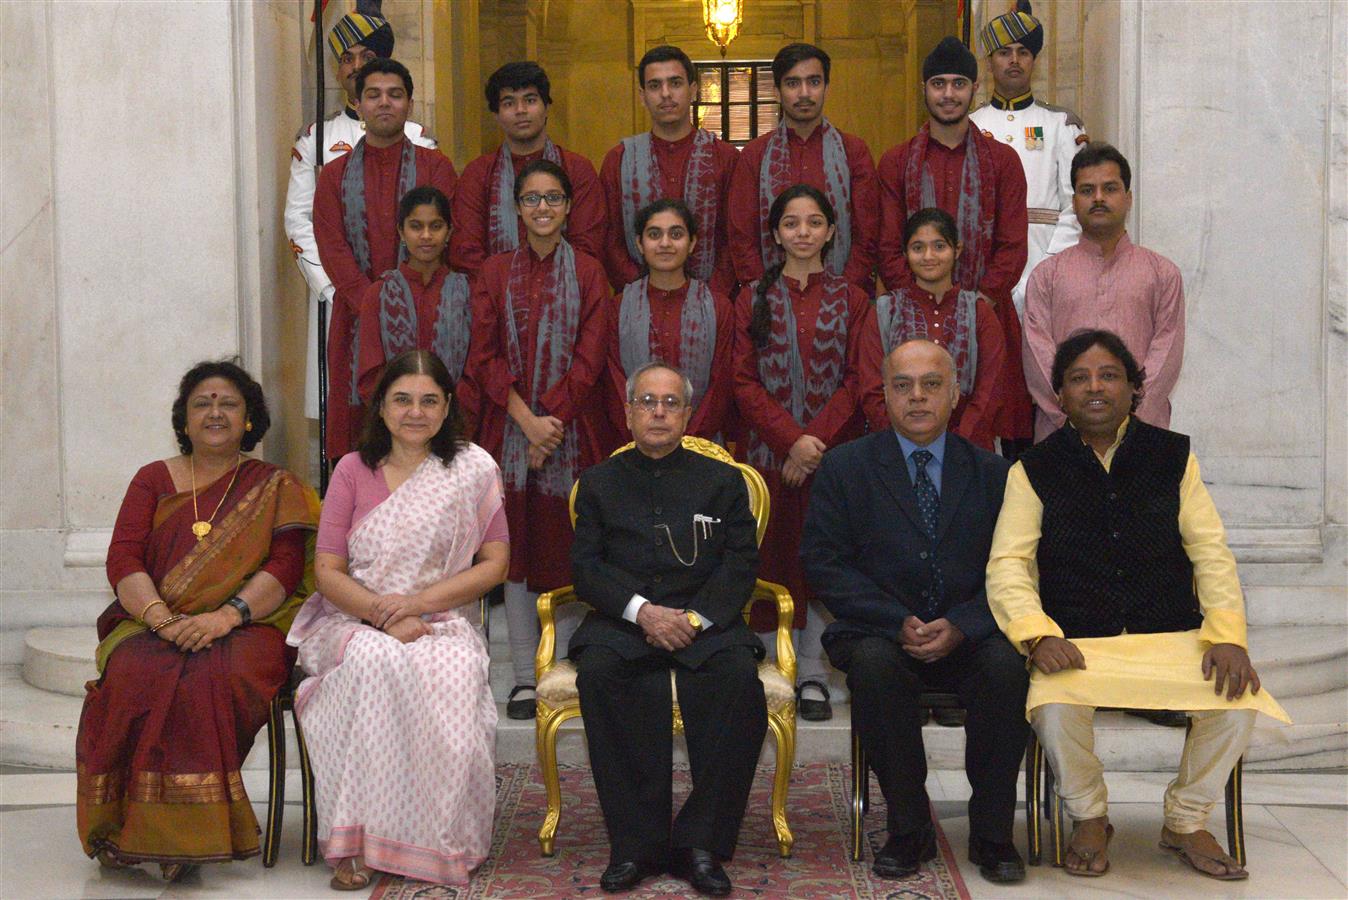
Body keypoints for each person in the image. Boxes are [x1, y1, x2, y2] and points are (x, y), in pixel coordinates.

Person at [986, 329, 1289, 880]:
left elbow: (1210, 552)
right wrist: (1036, 634)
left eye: (1109, 375)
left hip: (1171, 635)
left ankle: (1186, 819)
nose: (1095, 387)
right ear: (1059, 395)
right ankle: (1090, 817)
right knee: (1053, 707)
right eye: (1079, 378)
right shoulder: (1032, 469)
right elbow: (1008, 564)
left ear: (1134, 388)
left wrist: (1226, 635)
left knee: (1239, 701)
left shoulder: (1172, 456)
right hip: (1078, 641)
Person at [76, 361, 318, 882]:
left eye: (228, 404)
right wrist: (161, 619)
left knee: (217, 675)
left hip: (250, 625)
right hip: (150, 620)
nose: (215, 413)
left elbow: (286, 567)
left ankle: (189, 837)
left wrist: (224, 618)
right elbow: (123, 559)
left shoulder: (276, 485)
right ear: (183, 421)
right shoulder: (153, 479)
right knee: (137, 672)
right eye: (201, 404)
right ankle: (127, 829)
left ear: (250, 420)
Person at [803, 339, 1027, 883]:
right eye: (903, 386)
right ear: (884, 396)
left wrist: (966, 624)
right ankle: (909, 829)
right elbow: (824, 564)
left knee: (1008, 668)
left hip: (971, 633)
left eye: (932, 385)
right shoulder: (845, 467)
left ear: (955, 394)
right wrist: (893, 619)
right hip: (880, 632)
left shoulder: (996, 474)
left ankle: (992, 834)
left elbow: (1017, 566)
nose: (918, 397)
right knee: (876, 670)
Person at [287, 350, 508, 889]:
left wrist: (417, 604)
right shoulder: (351, 470)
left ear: (448, 406)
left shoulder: (473, 469)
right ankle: (356, 843)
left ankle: (434, 843)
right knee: (374, 661)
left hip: (440, 618)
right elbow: (328, 571)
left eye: (429, 400)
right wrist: (381, 618)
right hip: (351, 620)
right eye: (402, 400)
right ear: (381, 408)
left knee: (454, 676)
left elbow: (496, 565)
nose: (416, 412)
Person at [571, 361, 765, 897]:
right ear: (628, 411)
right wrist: (642, 613)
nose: (658, 412)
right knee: (602, 675)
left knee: (737, 683)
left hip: (706, 620)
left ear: (687, 413)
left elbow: (740, 564)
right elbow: (586, 569)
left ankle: (700, 843)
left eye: (670, 403)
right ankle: (635, 846)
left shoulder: (724, 482)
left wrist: (695, 618)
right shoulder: (597, 482)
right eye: (647, 402)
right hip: (624, 622)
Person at [467, 159, 613, 720]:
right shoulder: (494, 271)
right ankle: (526, 677)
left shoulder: (592, 272)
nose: (543, 208)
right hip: (508, 433)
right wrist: (528, 421)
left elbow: (591, 354)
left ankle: (568, 669)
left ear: (569, 205)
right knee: (517, 553)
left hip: (578, 433)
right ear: (517, 207)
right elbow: (483, 354)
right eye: (532, 199)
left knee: (572, 546)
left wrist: (549, 421)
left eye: (553, 198)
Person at [733, 184, 874, 721]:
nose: (803, 233)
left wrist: (812, 444)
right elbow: (742, 381)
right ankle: (769, 668)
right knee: (770, 557)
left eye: (814, 223)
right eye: (791, 224)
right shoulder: (751, 296)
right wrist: (789, 439)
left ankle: (813, 673)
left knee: (822, 561)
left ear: (832, 231)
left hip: (832, 459)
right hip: (768, 458)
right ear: (775, 233)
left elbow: (859, 378)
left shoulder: (853, 297)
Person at [284, 8, 438, 422]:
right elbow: (302, 223)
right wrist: (338, 291)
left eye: (365, 57)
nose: (354, 67)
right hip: (343, 300)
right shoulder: (317, 140)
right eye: (346, 59)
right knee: (350, 417)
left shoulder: (420, 140)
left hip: (414, 298)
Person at [878, 36, 1031, 449]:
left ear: (975, 88)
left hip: (986, 314)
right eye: (939, 84)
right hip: (910, 319)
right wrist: (914, 302)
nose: (948, 94)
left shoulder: (1002, 162)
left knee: (982, 435)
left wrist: (975, 303)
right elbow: (888, 246)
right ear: (924, 89)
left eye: (958, 84)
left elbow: (1013, 246)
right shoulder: (896, 161)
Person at [313, 57, 458, 461]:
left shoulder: (437, 167)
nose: (384, 103)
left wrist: (407, 301)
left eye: (395, 95)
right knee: (363, 438)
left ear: (409, 104)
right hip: (357, 318)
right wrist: (376, 303)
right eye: (373, 95)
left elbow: (446, 237)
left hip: (428, 310)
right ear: (357, 104)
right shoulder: (334, 175)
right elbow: (331, 245)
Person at [1023, 143, 1184, 442]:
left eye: (1109, 188)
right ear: (1074, 201)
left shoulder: (1162, 274)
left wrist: (1132, 420)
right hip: (1062, 441)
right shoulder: (1046, 277)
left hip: (1143, 439)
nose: (1098, 198)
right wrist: (1073, 418)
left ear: (1128, 198)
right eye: (1087, 190)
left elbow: (1167, 354)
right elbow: (1037, 358)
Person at [727, 43, 879, 294]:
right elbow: (742, 237)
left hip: (843, 298)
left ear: (827, 88)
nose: (804, 93)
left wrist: (844, 292)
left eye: (814, 82)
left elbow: (867, 236)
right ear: (776, 91)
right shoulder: (755, 155)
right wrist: (766, 292)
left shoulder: (854, 152)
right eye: (792, 83)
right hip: (768, 299)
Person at [969, 1, 1088, 314]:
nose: (1014, 60)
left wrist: (1050, 265)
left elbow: (1076, 202)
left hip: (1047, 260)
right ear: (990, 61)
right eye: (1004, 52)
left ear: (1034, 59)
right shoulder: (971, 125)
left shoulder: (1061, 124)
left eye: (1023, 52)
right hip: (987, 266)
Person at [862, 208, 1006, 451]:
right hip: (896, 451)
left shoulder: (980, 313)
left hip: (969, 450)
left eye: (939, 246)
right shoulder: (885, 312)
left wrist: (954, 447)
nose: (929, 256)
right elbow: (872, 390)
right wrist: (908, 445)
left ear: (957, 250)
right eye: (918, 248)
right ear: (905, 253)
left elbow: (989, 393)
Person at [599, 45, 739, 294]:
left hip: (712, 302)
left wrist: (711, 298)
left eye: (675, 83)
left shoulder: (725, 158)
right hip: (637, 301)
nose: (666, 94)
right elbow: (610, 241)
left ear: (693, 90)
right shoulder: (619, 160)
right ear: (642, 96)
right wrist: (644, 292)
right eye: (655, 86)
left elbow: (734, 240)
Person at [451, 61, 605, 278]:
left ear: (546, 107)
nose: (521, 110)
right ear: (496, 115)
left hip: (568, 296)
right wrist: (506, 291)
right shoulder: (477, 174)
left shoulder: (577, 169)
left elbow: (588, 246)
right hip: (493, 301)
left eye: (530, 100)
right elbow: (466, 253)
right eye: (508, 103)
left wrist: (545, 289)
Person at [607, 199, 735, 443]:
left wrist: (688, 441)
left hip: (701, 449)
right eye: (654, 234)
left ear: (692, 243)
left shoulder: (718, 308)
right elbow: (615, 385)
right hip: (634, 447)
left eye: (676, 234)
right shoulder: (618, 308)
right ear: (639, 244)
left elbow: (721, 387)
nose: (665, 243)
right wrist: (642, 434)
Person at [356, 186, 477, 426]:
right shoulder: (379, 294)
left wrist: (442, 416)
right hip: (394, 431)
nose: (426, 236)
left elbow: (475, 373)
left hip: (454, 427)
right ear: (401, 231)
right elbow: (370, 375)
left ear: (449, 232)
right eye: (415, 226)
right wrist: (404, 418)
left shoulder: (468, 293)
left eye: (435, 226)